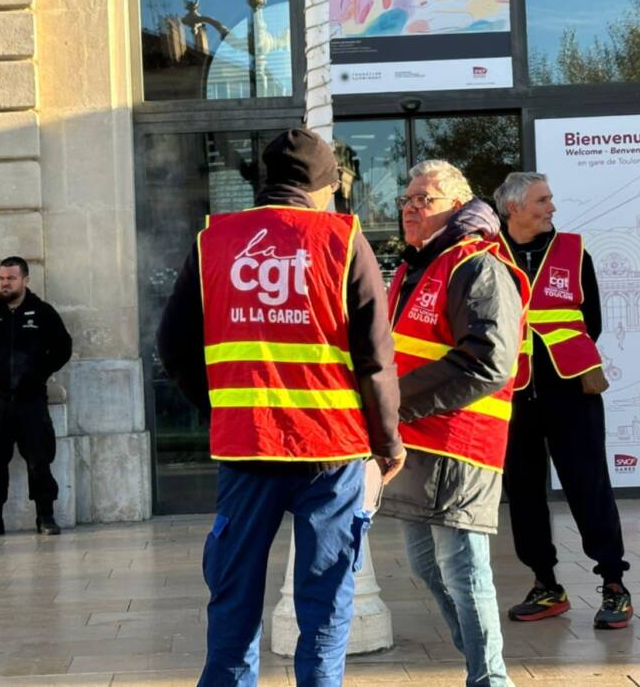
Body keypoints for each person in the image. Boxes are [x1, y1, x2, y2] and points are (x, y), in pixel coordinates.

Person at [157, 128, 404, 687]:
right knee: (324, 601)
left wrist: (224, 407)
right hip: (332, 451)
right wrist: (387, 443)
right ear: (321, 187)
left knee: (234, 594)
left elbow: (173, 345)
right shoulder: (343, 241)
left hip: (247, 447)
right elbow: (375, 358)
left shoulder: (215, 240)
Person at [381, 160, 528, 687]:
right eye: (408, 199)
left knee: (465, 573)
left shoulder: (477, 265)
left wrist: (394, 400)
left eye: (426, 199)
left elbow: (490, 360)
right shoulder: (413, 268)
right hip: (417, 440)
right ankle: (480, 666)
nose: (411, 208)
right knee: (426, 567)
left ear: (458, 207)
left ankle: (490, 679)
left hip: (460, 444)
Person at [493, 171, 633, 629]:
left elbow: (590, 320)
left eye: (550, 198)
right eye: (542, 200)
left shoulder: (575, 251)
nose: (551, 207)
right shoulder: (489, 254)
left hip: (571, 389)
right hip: (514, 392)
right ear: (514, 208)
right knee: (525, 492)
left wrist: (554, 354)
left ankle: (614, 584)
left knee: (588, 486)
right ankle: (546, 584)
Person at [0, 256, 72, 538]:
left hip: (31, 401)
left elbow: (63, 347)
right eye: (1, 278)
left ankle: (45, 517)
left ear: (25, 280)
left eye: (11, 278)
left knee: (39, 460)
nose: (5, 283)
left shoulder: (42, 312)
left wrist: (40, 372)